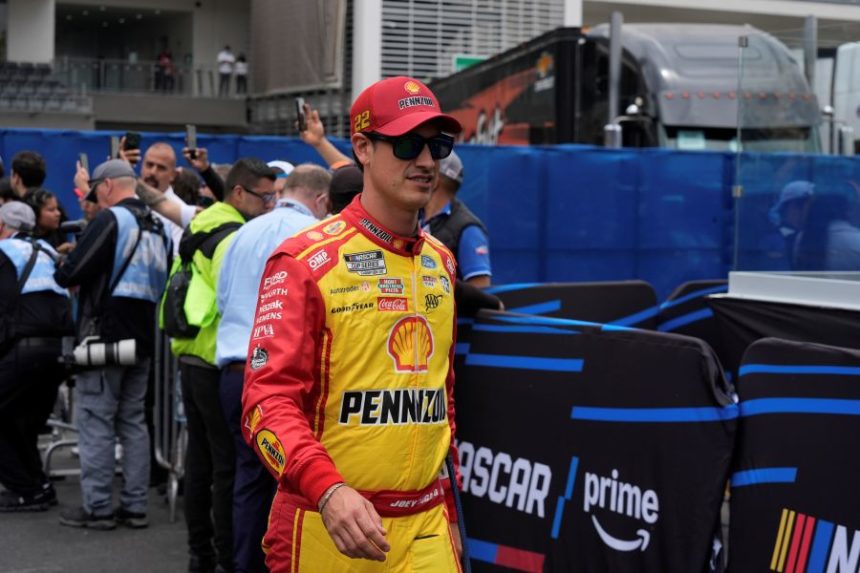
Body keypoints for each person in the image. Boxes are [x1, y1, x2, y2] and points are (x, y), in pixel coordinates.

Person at [242, 76, 464, 572]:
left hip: (426, 525)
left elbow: (442, 398)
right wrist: (329, 491)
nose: (427, 161)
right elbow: (266, 403)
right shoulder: (304, 260)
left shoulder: (442, 263)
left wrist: (450, 508)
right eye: (407, 144)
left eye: (438, 145)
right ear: (362, 147)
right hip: (330, 524)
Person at [216, 163, 330, 573]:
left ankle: (241, 564)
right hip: (278, 377)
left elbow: (222, 302)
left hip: (232, 370)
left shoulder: (239, 234)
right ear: (320, 200)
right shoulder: (313, 239)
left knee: (246, 482)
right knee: (293, 485)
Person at [169, 158, 276, 573]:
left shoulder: (205, 220)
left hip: (190, 352)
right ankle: (229, 558)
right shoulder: (235, 237)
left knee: (200, 462)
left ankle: (201, 554)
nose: (271, 205)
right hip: (216, 357)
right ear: (239, 194)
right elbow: (238, 299)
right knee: (227, 468)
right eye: (265, 196)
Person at [54, 159, 171, 530]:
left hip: (103, 339)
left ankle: (99, 507)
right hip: (144, 339)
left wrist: (68, 257)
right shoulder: (158, 226)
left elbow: (70, 273)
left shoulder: (111, 220)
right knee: (133, 422)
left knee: (96, 421)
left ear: (106, 187)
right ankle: (136, 507)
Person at [0, 202, 73, 512]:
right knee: (22, 423)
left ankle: (26, 490)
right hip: (57, 352)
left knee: (13, 420)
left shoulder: (5, 252)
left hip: (23, 349)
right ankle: (39, 487)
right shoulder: (48, 250)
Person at [423, 150, 492, 287]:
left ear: (436, 181)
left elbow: (481, 290)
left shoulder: (468, 229)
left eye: (425, 174)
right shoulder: (414, 218)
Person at [141, 142, 197, 253]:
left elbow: (175, 257)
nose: (153, 172)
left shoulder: (180, 211)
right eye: (149, 165)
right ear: (142, 166)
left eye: (161, 168)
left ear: (173, 175)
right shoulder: (128, 197)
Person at [24, 188, 73, 254]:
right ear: (35, 213)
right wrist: (56, 252)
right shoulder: (23, 241)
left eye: (57, 208)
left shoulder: (58, 232)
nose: (58, 213)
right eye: (51, 210)